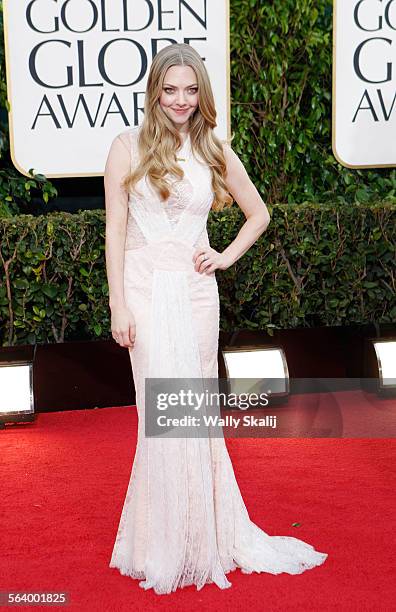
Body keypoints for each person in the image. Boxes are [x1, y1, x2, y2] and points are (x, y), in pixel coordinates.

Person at [104, 42, 328, 595]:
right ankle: (162, 543)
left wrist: (225, 255)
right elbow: (113, 231)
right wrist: (118, 303)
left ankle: (202, 539)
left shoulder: (213, 151)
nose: (180, 100)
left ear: (201, 92)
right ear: (155, 90)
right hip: (146, 291)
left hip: (199, 294)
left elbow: (259, 212)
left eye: (190, 89)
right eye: (170, 89)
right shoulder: (125, 147)